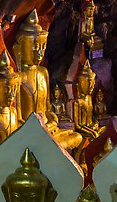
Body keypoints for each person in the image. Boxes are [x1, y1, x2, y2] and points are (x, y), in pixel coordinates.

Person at [12, 9, 82, 151]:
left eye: (42, 47)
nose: (39, 52)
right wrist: (38, 128)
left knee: (76, 137)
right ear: (19, 49)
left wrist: (52, 120)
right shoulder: (18, 78)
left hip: (48, 130)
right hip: (30, 133)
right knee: (45, 147)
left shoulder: (43, 72)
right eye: (35, 47)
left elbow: (48, 109)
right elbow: (18, 119)